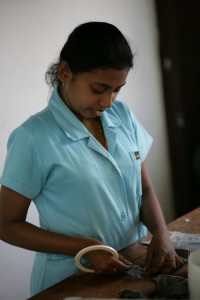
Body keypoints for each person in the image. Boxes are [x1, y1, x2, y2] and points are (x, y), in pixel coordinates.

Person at [0, 21, 184, 296]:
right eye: (99, 89)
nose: (108, 102)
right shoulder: (33, 137)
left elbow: (143, 188)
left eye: (117, 89)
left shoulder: (122, 116)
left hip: (132, 265)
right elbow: (7, 225)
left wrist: (161, 234)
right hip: (73, 278)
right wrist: (84, 247)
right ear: (65, 72)